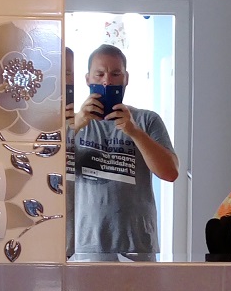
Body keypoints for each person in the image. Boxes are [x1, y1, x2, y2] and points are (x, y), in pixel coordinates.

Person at [69, 43, 178, 261]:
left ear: (126, 78)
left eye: (115, 74)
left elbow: (170, 172)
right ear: (87, 79)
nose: (107, 81)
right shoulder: (71, 123)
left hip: (138, 244)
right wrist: (76, 124)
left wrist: (134, 131)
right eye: (99, 74)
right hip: (88, 244)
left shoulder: (148, 120)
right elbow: (48, 169)